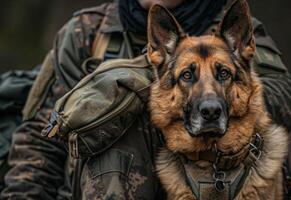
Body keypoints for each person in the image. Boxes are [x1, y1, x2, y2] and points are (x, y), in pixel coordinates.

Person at [1, 0, 291, 199]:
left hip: (216, 178)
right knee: (115, 119)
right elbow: (42, 136)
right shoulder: (87, 32)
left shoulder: (232, 29)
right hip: (101, 184)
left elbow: (281, 95)